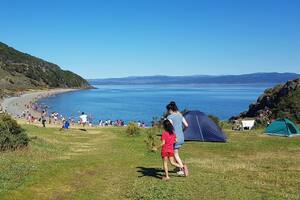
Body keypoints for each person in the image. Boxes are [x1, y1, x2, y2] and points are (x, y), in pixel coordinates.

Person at [166, 101, 189, 176]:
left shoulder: (169, 117)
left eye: (168, 110)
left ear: (170, 110)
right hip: (181, 137)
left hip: (174, 138)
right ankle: (178, 168)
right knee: (176, 153)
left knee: (175, 154)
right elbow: (186, 125)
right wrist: (181, 131)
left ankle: (182, 168)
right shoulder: (180, 115)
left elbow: (170, 129)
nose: (167, 112)